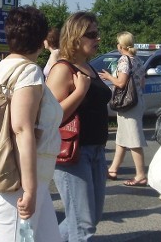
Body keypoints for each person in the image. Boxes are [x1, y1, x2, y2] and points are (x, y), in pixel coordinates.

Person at [0, 6, 62, 241]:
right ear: (41, 40)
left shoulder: (5, 66)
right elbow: (21, 128)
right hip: (19, 181)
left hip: (25, 177)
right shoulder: (29, 72)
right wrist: (28, 190)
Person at [46, 12, 111, 241]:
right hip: (74, 153)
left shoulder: (89, 67)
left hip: (96, 150)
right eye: (92, 34)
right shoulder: (63, 69)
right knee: (83, 226)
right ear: (75, 37)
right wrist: (80, 92)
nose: (98, 39)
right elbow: (50, 117)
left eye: (97, 33)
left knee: (90, 218)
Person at [99, 32, 148, 187]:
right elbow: (142, 83)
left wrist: (108, 77)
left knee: (133, 139)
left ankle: (140, 175)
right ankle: (113, 169)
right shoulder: (138, 60)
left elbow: (120, 83)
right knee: (122, 137)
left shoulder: (123, 60)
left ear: (120, 46)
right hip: (137, 101)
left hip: (128, 104)